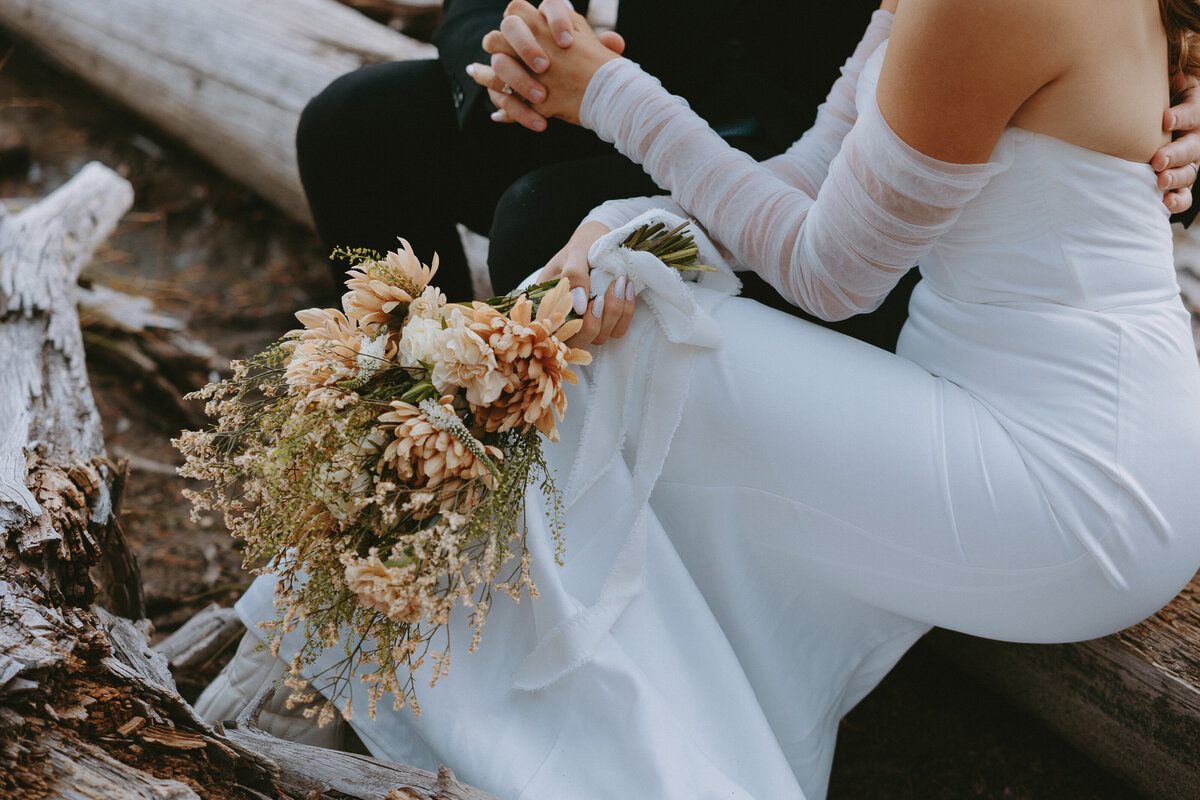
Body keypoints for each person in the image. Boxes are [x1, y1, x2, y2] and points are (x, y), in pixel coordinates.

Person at [204, 1, 1200, 797]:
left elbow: (831, 274)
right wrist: (624, 218)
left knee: (625, 345)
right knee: (594, 310)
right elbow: (811, 175)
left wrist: (612, 96)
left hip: (1074, 474)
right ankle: (360, 645)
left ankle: (369, 660)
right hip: (1012, 402)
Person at [295, 0, 1200, 352]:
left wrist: (1175, 109)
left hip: (830, 170)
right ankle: (402, 411)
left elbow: (1117, 44)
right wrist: (511, 58)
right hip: (583, 96)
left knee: (550, 234)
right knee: (350, 125)